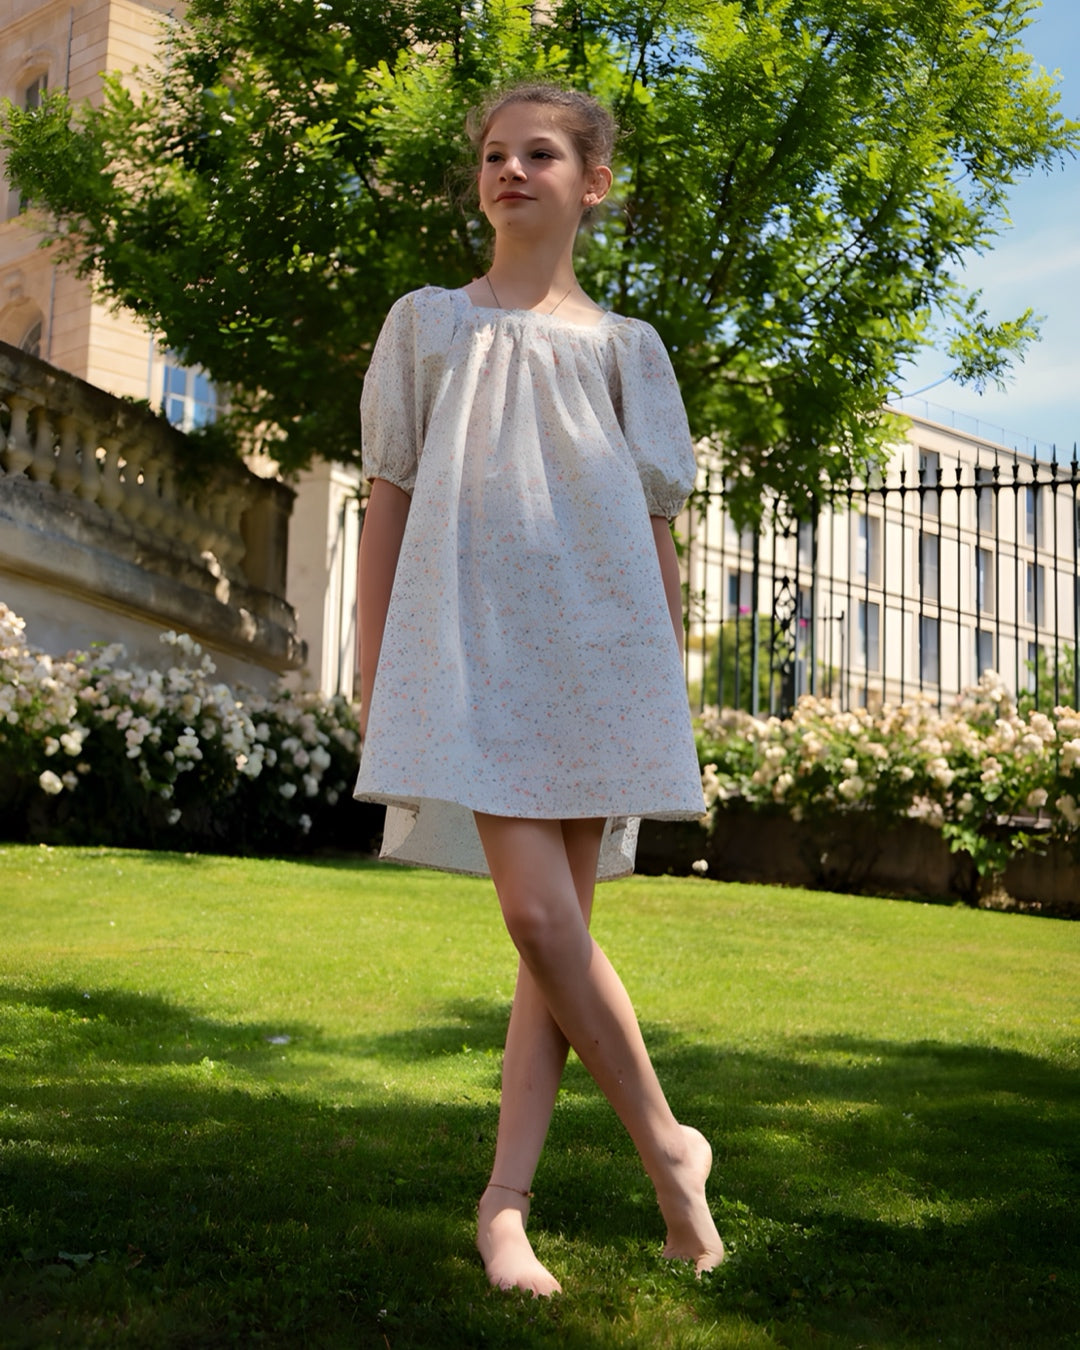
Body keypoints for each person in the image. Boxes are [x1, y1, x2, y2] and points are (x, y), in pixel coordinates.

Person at [354, 81, 724, 1297]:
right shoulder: (427, 326)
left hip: (598, 655)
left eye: (542, 154)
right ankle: (670, 1152)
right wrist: (374, 663)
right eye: (494, 154)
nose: (510, 170)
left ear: (594, 183)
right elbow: (391, 497)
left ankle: (505, 1207)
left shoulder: (628, 349)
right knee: (539, 921)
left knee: (552, 942)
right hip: (475, 656)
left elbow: (656, 529)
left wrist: (662, 685)